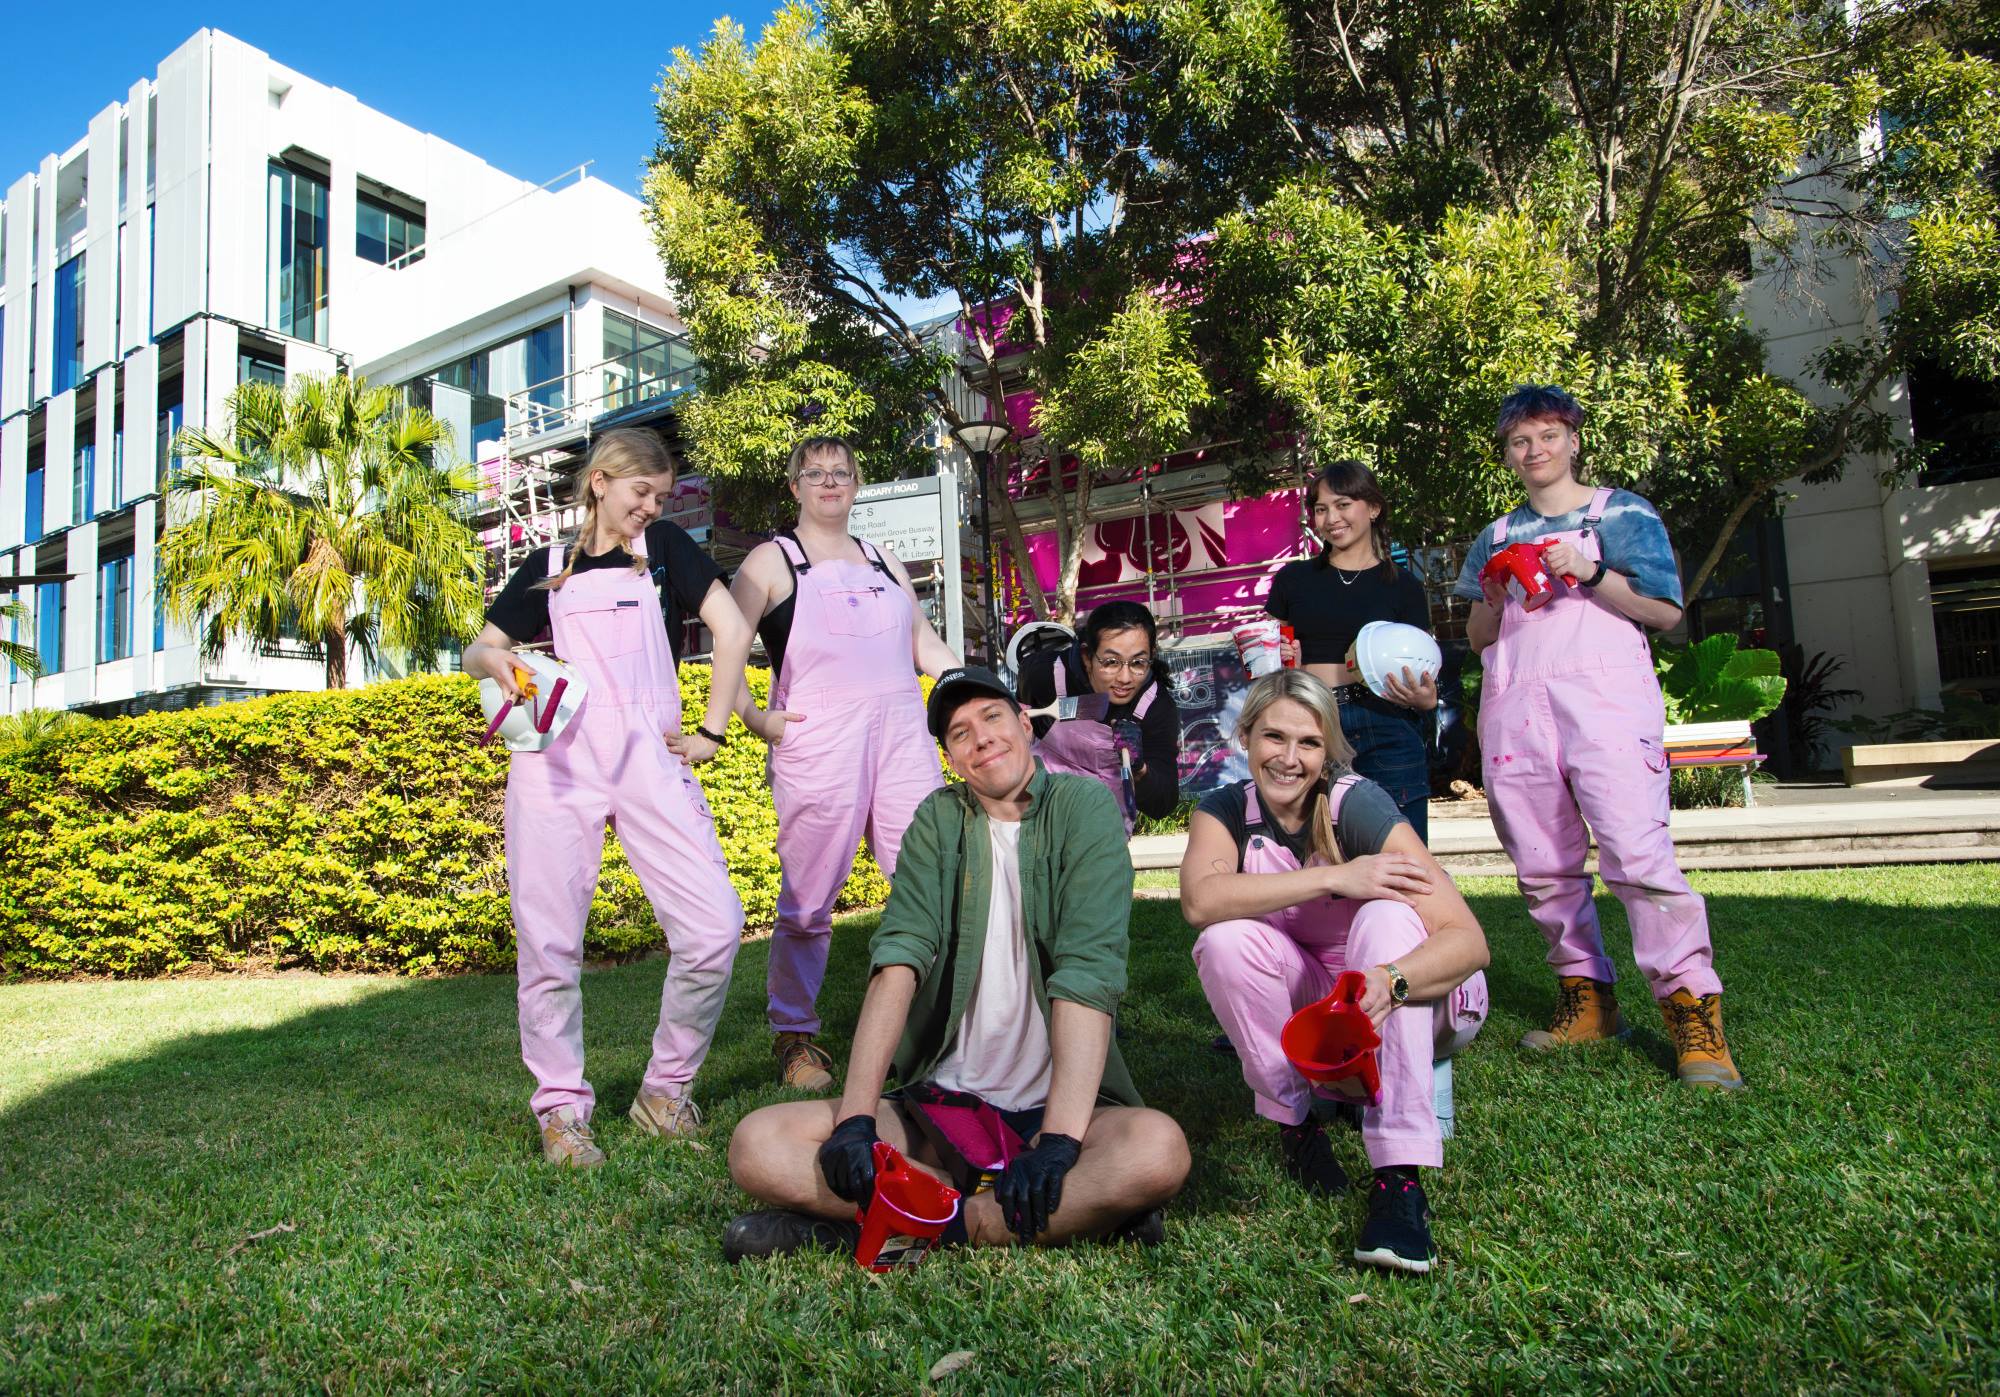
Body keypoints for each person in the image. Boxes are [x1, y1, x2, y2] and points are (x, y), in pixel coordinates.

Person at [720, 667, 1191, 1260]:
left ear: (1024, 723)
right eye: (960, 733)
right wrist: (857, 1119)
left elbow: (1087, 974)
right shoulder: (938, 820)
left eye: (992, 717)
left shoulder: (1083, 807)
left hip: (1056, 1106)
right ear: (952, 757)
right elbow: (898, 960)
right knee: (758, 1144)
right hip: (944, 1108)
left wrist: (1060, 1141)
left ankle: (909, 1221)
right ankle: (1051, 1216)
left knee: (1158, 1150)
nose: (982, 738)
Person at [464, 428, 753, 1167]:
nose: (651, 507)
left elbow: (731, 629)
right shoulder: (547, 566)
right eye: (641, 493)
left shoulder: (667, 553)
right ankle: (561, 1110)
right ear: (600, 482)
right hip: (556, 763)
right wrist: (498, 661)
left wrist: (712, 732)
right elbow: (477, 648)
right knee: (549, 941)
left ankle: (664, 1091)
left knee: (715, 924)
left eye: (660, 496)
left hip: (647, 755)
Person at [1454, 384, 1741, 1089]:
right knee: (1543, 866)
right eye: (1520, 441)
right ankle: (1588, 999)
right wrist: (1492, 601)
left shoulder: (1623, 513)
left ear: (1574, 440)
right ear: (1509, 454)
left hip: (1606, 701)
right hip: (1519, 706)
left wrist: (1594, 571)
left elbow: (1665, 612)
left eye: (1547, 435)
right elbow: (1477, 637)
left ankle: (1691, 1014)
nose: (1534, 450)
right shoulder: (1494, 536)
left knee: (1638, 856)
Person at [1182, 670, 1489, 1274]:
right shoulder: (1224, 809)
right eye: (1274, 738)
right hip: (1323, 1014)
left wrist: (1390, 982)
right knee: (1223, 940)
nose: (1289, 759)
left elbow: (1469, 942)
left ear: (1328, 751)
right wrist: (1333, 876)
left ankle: (1399, 1178)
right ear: (1245, 738)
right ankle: (1297, 1126)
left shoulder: (1358, 804)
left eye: (1309, 743)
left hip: (1414, 997)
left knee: (1385, 916)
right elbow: (1199, 902)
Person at [729, 436, 960, 1094]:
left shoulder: (886, 560)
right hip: (818, 745)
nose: (829, 481)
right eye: (815, 472)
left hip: (901, 739)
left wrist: (979, 690)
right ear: (795, 484)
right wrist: (753, 716)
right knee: (809, 901)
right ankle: (794, 1035)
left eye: (842, 471)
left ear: (857, 483)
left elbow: (924, 642)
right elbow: (728, 647)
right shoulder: (772, 562)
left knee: (931, 879)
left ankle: (938, 1023)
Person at [1265, 460, 1439, 842]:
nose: (1331, 518)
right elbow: (1269, 658)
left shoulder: (1404, 586)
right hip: (1313, 722)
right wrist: (1275, 656)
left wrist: (1427, 700)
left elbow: (1424, 670)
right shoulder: (1293, 580)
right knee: (1320, 848)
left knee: (1403, 849)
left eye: (1343, 505)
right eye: (1321, 508)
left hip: (1388, 722)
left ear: (1373, 508)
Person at [1015, 600, 1183, 834]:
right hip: (1040, 814)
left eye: (1138, 663)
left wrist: (1140, 769)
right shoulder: (1043, 676)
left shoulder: (1155, 707)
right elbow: (1018, 741)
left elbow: (1162, 804)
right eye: (1111, 662)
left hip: (1104, 829)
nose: (1125, 678)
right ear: (1086, 656)